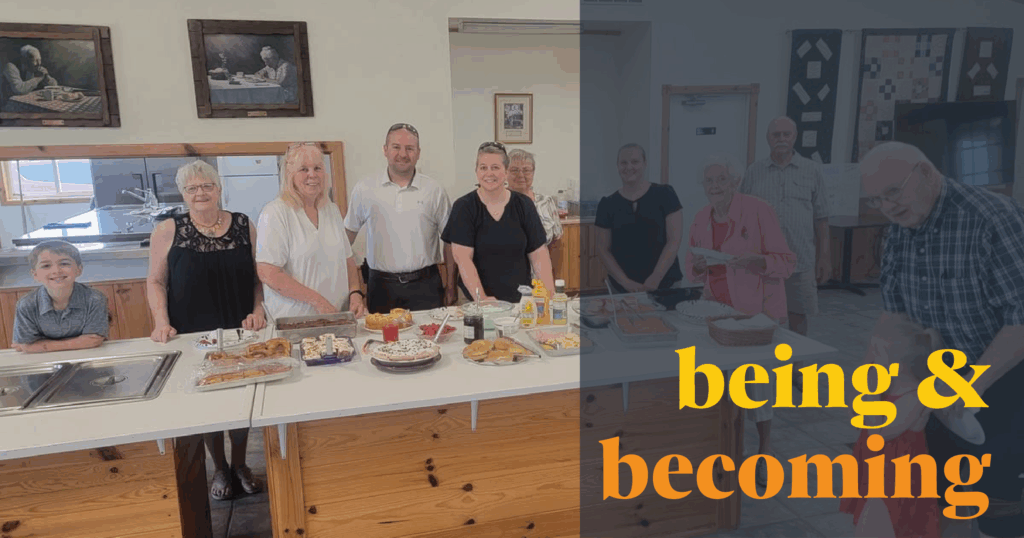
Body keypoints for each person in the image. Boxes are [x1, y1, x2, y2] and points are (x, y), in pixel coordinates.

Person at [859, 141, 1024, 538]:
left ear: (927, 173)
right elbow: (896, 315)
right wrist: (881, 367)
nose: (888, 207)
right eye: (877, 200)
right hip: (941, 377)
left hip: (1005, 378)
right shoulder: (899, 230)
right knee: (939, 494)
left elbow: (1019, 325)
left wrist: (953, 393)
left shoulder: (991, 218)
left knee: (1000, 507)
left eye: (893, 192)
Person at [146, 160, 267, 501]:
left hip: (240, 327)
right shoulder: (168, 229)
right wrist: (160, 320)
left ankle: (241, 465)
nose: (200, 193)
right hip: (192, 331)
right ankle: (220, 467)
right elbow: (155, 281)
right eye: (192, 188)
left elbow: (259, 278)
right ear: (183, 194)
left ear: (219, 188)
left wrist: (258, 309)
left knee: (241, 400)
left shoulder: (244, 224)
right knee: (210, 402)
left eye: (206, 186)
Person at [683, 154, 796, 487]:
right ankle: (724, 448)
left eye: (722, 180)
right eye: (709, 181)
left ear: (736, 182)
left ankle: (762, 452)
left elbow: (786, 262)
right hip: (715, 312)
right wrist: (699, 268)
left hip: (755, 314)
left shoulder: (759, 211)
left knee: (756, 387)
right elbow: (692, 265)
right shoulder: (702, 217)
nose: (715, 187)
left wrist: (758, 261)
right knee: (715, 383)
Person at [344, 123, 457, 313]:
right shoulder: (365, 188)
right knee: (382, 341)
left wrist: (452, 285)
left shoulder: (434, 190)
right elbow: (346, 238)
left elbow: (450, 242)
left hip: (426, 286)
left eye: (409, 148)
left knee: (430, 340)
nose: (403, 154)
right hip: (380, 287)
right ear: (385, 150)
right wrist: (351, 288)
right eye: (396, 147)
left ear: (418, 153)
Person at [740, 116, 831, 337]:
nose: (781, 139)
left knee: (798, 316)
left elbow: (822, 217)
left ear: (795, 137)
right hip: (762, 261)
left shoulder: (813, 171)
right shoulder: (754, 171)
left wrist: (825, 258)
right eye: (776, 134)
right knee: (760, 316)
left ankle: (796, 371)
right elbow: (743, 216)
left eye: (786, 134)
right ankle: (760, 365)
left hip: (800, 260)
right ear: (768, 138)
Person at [256, 142, 367, 320]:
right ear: (290, 175)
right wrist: (317, 301)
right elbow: (268, 272)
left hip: (336, 318)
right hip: (294, 323)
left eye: (317, 168)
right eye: (303, 169)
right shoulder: (275, 213)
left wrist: (355, 293)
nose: (312, 175)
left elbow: (348, 259)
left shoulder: (331, 209)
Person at [442, 141, 555, 303]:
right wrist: (482, 299)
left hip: (520, 300)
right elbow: (463, 259)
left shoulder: (524, 205)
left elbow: (539, 255)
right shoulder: (464, 206)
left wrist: (549, 294)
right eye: (483, 167)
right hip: (474, 300)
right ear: (476, 171)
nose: (489, 173)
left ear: (506, 171)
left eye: (495, 167)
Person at [595, 143, 684, 294]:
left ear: (645, 164)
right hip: (623, 289)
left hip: (666, 285)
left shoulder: (666, 194)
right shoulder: (607, 204)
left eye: (635, 162)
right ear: (617, 166)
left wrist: (655, 279)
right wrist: (626, 283)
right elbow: (603, 249)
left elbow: (674, 241)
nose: (629, 167)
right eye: (623, 162)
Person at [12, 240, 108, 353]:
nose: (56, 271)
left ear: (79, 270)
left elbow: (93, 341)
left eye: (64, 263)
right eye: (46, 265)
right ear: (35, 274)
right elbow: (24, 345)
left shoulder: (95, 299)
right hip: (43, 362)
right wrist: (79, 342)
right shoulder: (26, 304)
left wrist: (43, 346)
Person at [507, 149, 563, 248]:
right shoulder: (497, 202)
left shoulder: (546, 201)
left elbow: (556, 240)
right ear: (505, 173)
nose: (520, 175)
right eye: (514, 170)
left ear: (533, 173)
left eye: (526, 170)